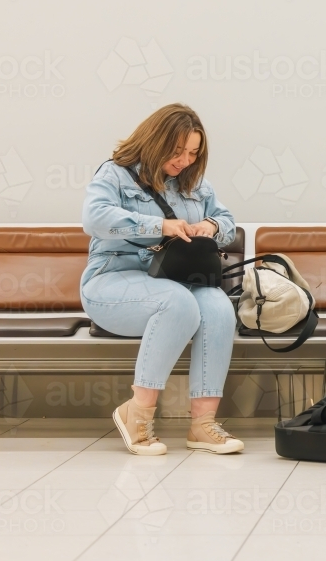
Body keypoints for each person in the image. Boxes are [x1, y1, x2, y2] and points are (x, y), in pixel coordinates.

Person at [81, 104, 244, 456]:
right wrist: (159, 226)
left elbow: (226, 220)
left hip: (173, 280)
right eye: (177, 151)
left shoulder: (195, 182)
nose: (185, 160)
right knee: (177, 302)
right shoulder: (116, 175)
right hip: (112, 280)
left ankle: (203, 424)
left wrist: (212, 226)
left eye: (193, 152)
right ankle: (136, 411)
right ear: (156, 142)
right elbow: (94, 218)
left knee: (218, 307)